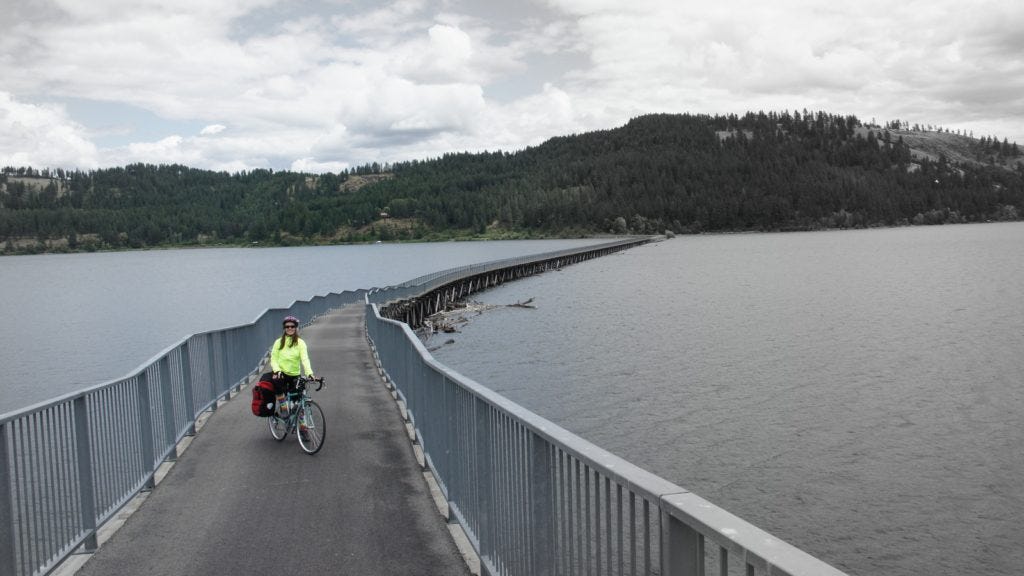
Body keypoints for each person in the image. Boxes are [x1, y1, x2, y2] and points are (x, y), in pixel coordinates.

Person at [270, 316, 315, 435]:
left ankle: (303, 429)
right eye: (287, 326)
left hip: (295, 375)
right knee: (277, 381)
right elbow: (273, 358)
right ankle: (284, 408)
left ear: (296, 328)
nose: (290, 328)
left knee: (299, 403)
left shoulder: (300, 343)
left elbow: (305, 359)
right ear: (284, 328)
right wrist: (277, 370)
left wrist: (309, 373)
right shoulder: (278, 342)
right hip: (281, 373)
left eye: (292, 326)